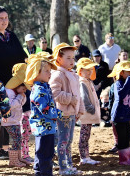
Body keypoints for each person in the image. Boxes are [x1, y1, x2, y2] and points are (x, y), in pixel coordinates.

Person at [0, 6, 27, 160]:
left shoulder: (12, 36)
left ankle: (12, 149)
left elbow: (22, 57)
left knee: (14, 113)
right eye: (0, 18)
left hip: (16, 81)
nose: (4, 21)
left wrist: (22, 80)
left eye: (6, 18)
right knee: (2, 115)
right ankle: (2, 149)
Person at [24, 53, 61, 176]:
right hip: (43, 128)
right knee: (45, 154)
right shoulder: (39, 89)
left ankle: (40, 172)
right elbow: (45, 109)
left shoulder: (44, 87)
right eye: (46, 71)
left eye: (50, 71)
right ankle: (44, 173)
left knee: (42, 154)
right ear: (36, 72)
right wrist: (58, 114)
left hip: (46, 128)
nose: (49, 73)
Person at [49, 43, 84, 175]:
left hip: (71, 113)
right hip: (62, 113)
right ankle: (63, 168)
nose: (72, 61)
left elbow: (78, 95)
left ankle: (68, 165)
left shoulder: (73, 75)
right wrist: (70, 99)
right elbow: (55, 93)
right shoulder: (58, 75)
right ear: (58, 58)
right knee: (63, 141)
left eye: (73, 58)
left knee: (68, 141)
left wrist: (79, 109)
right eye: (68, 58)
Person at [108, 61, 130, 165]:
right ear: (121, 73)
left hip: (128, 116)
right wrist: (129, 81)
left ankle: (129, 157)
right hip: (119, 116)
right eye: (129, 72)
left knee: (127, 136)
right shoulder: (117, 84)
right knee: (122, 138)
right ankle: (123, 159)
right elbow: (120, 95)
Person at [2, 63, 32, 167]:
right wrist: (20, 97)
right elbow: (10, 105)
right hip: (9, 120)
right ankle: (13, 161)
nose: (24, 91)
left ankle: (18, 158)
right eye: (23, 89)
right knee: (16, 139)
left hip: (15, 120)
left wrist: (22, 97)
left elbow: (21, 104)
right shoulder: (9, 92)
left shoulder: (17, 92)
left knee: (18, 138)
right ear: (17, 86)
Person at [76, 58, 101, 165]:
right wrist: (92, 109)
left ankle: (86, 156)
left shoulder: (88, 81)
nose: (90, 71)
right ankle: (84, 157)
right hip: (86, 115)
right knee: (84, 136)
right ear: (80, 70)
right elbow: (84, 98)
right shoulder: (82, 82)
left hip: (89, 115)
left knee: (86, 136)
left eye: (90, 69)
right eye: (87, 70)